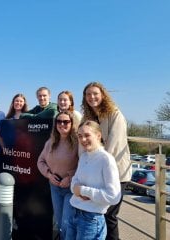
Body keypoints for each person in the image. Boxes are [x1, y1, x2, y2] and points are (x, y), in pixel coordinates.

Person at [81, 82, 132, 240]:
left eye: (95, 93)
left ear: (103, 95)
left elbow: (113, 145)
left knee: (109, 215)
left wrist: (95, 167)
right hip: (95, 172)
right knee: (98, 215)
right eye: (88, 94)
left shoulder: (115, 114)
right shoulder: (88, 117)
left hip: (115, 172)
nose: (92, 97)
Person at [66, 120, 121, 240]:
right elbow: (74, 183)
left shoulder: (106, 160)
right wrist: (77, 189)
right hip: (74, 212)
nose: (83, 139)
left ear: (98, 136)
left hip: (91, 219)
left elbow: (114, 196)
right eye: (80, 136)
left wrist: (83, 191)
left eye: (87, 135)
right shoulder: (84, 156)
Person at [37, 111, 79, 239]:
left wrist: (70, 177)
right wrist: (49, 175)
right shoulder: (51, 142)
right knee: (60, 222)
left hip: (70, 189)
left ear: (72, 124)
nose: (62, 124)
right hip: (54, 188)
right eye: (59, 121)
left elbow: (84, 165)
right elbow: (40, 161)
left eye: (66, 122)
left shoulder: (78, 142)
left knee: (67, 223)